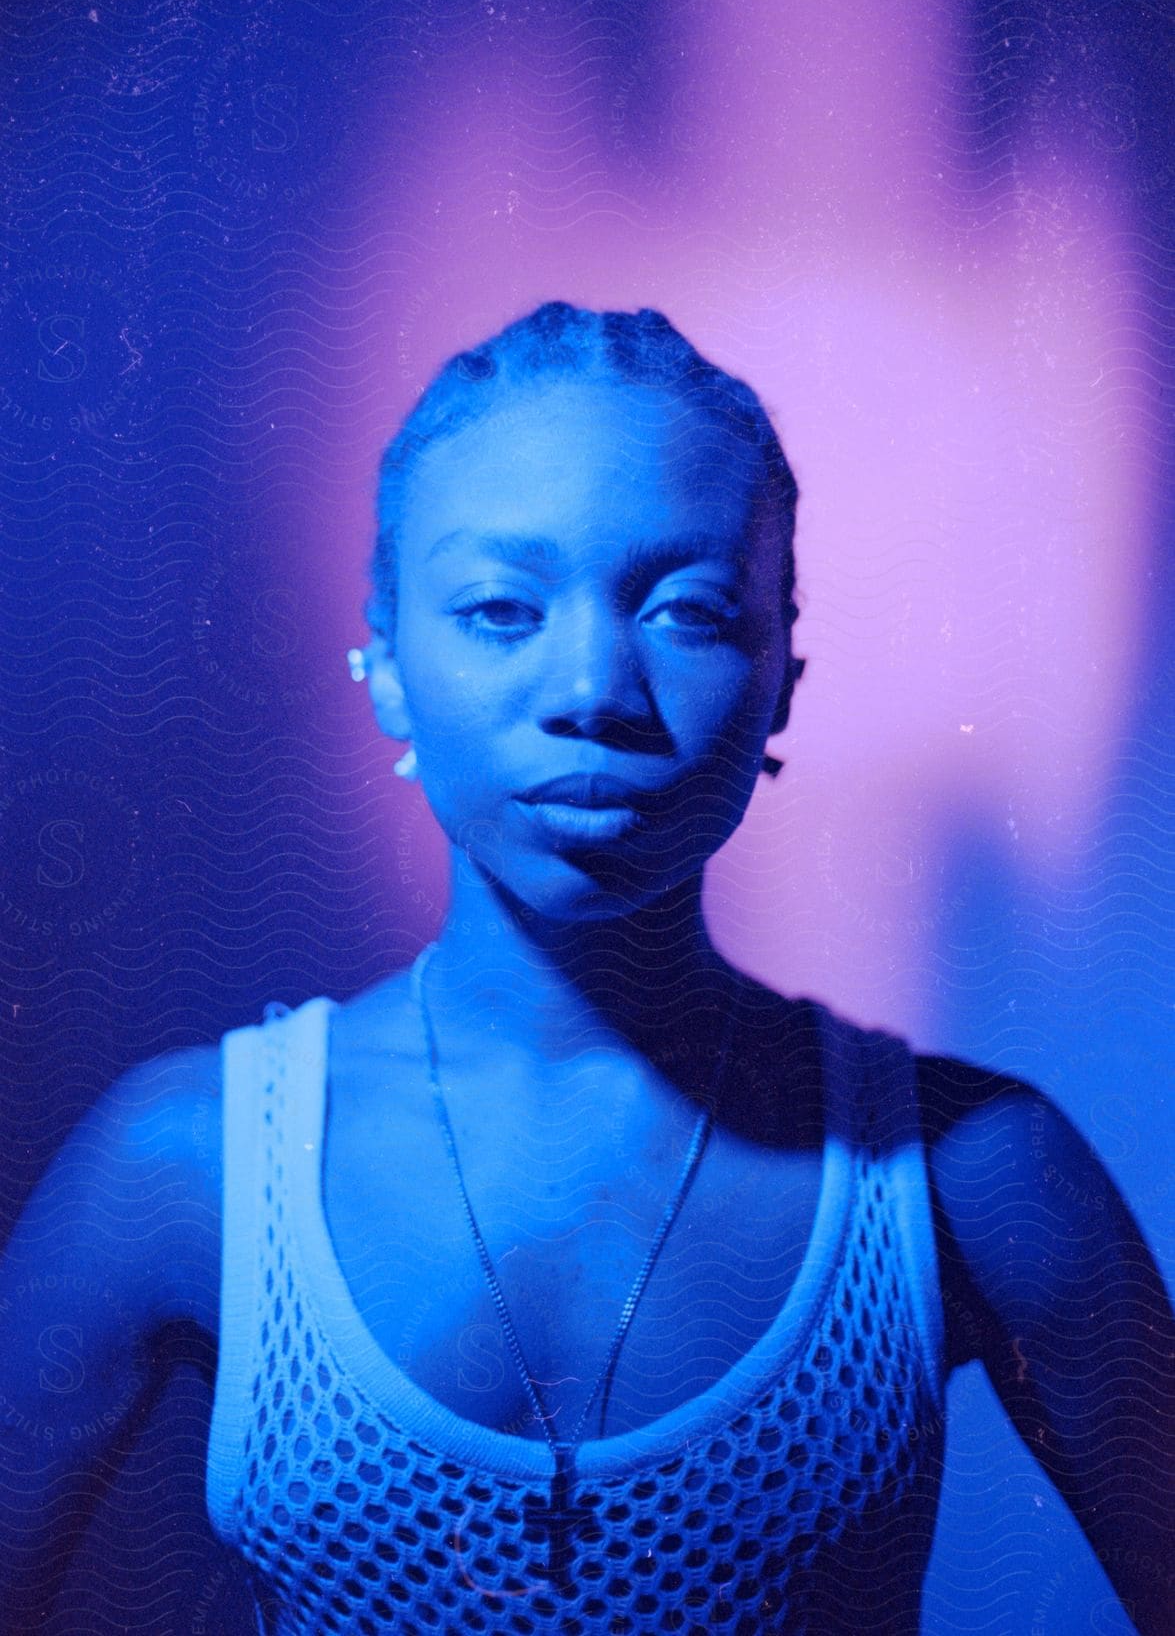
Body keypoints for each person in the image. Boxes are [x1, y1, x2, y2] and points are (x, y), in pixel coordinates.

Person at [0, 301, 1171, 1635]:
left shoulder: (970, 1174)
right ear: (384, 663)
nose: (594, 687)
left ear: (784, 668)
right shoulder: (185, 1164)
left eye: (687, 609)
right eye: (501, 607)